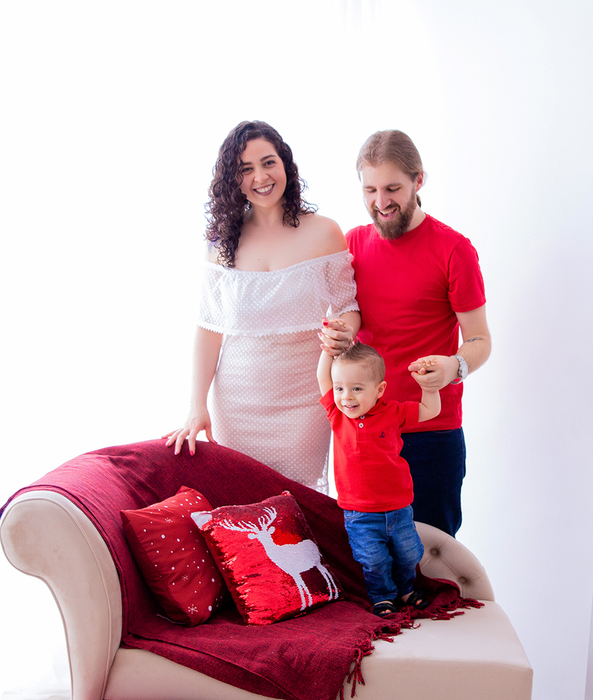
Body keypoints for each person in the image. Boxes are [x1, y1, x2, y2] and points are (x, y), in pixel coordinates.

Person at [165, 121, 359, 491]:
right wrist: (196, 406)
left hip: (305, 403)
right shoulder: (220, 243)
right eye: (245, 169)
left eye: (268, 162)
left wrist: (344, 331)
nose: (261, 176)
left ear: (285, 163)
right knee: (241, 509)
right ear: (232, 180)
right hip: (236, 404)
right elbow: (208, 329)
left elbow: (348, 307)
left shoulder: (325, 232)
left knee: (297, 508)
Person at [345, 130, 491, 536]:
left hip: (431, 433)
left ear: (418, 181)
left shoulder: (453, 249)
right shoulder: (352, 244)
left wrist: (454, 366)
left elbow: (480, 339)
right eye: (370, 189)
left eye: (393, 188)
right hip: (366, 432)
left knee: (434, 562)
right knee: (369, 565)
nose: (380, 202)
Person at [316, 340, 440, 617]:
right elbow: (322, 376)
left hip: (398, 508)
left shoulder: (393, 412)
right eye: (340, 388)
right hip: (359, 513)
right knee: (373, 560)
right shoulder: (338, 416)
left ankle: (406, 589)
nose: (346, 397)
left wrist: (430, 388)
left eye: (357, 389)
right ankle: (382, 596)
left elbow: (429, 411)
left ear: (379, 390)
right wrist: (328, 350)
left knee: (409, 554)